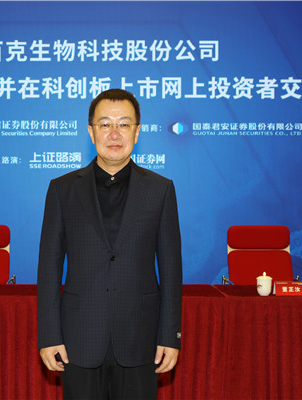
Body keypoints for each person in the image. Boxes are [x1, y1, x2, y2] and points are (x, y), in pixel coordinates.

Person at [37, 88, 182, 400]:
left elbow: (171, 271)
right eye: (105, 124)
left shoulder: (160, 190)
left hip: (141, 338)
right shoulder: (62, 190)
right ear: (91, 132)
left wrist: (171, 336)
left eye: (124, 124)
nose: (114, 133)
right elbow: (48, 269)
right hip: (79, 338)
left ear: (137, 132)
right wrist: (49, 335)